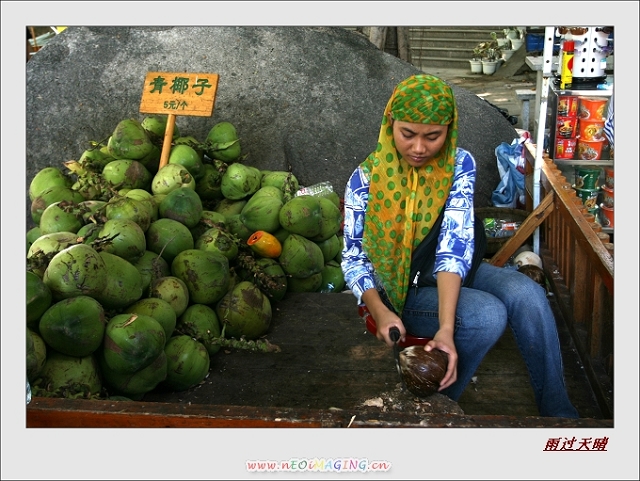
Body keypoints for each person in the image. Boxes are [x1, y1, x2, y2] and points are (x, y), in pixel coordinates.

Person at [341, 74, 579, 418]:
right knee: (485, 315)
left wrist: (446, 329)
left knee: (528, 294)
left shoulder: (459, 165)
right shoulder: (365, 180)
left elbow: (454, 245)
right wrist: (379, 311)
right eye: (407, 134)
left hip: (448, 270)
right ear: (390, 124)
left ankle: (559, 413)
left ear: (449, 131)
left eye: (433, 136)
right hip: (398, 287)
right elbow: (353, 258)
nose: (419, 148)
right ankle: (436, 407)